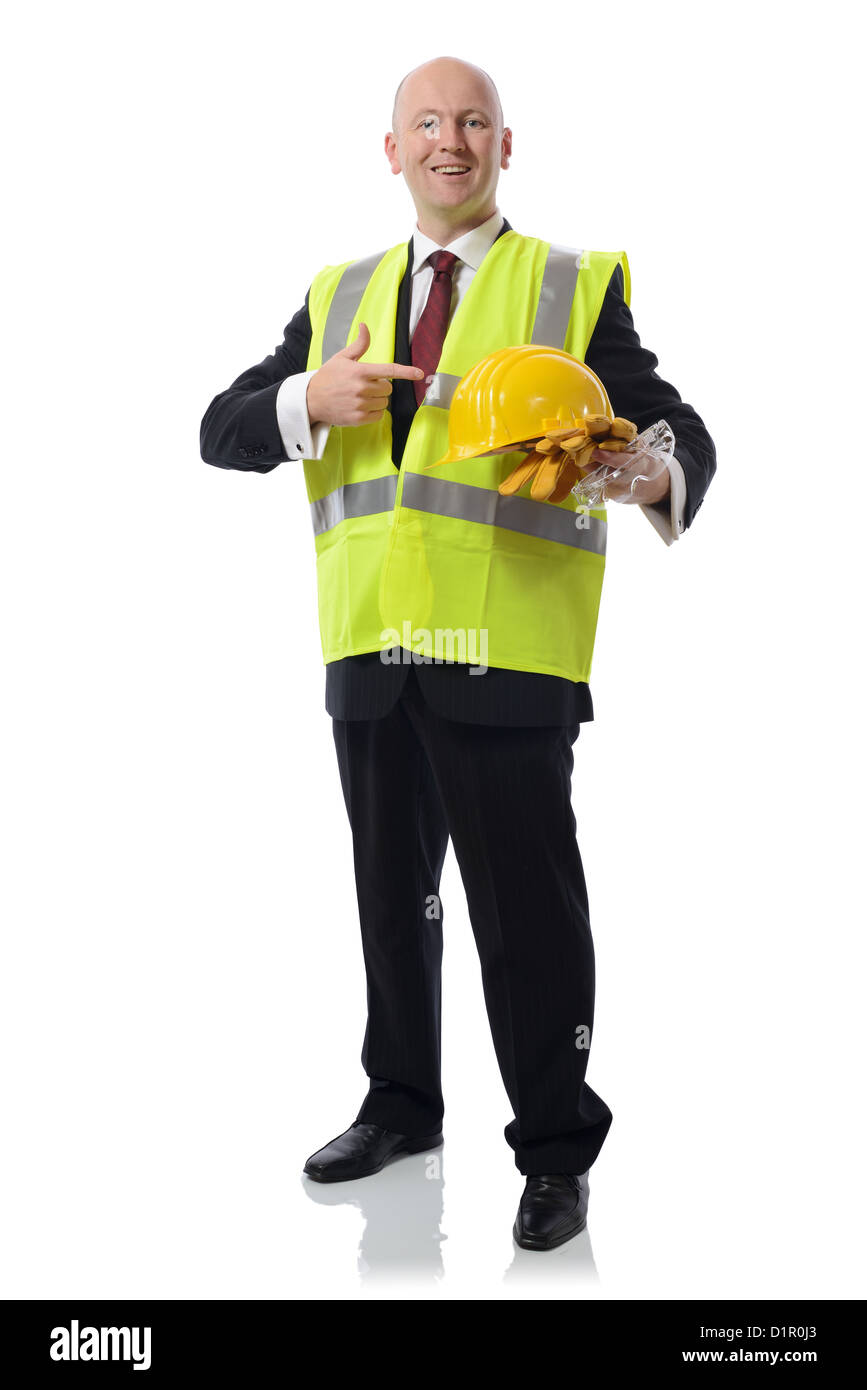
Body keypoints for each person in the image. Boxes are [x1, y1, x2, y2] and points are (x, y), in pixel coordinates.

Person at [200, 54, 716, 1252]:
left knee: (526, 914)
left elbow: (672, 425)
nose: (449, 140)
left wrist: (647, 468)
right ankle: (401, 1107)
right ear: (392, 151)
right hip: (374, 649)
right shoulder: (338, 295)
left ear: (503, 145)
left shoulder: (569, 287)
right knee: (395, 902)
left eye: (472, 122)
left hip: (507, 654)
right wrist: (303, 402)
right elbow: (221, 428)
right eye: (426, 123)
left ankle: (553, 1147)